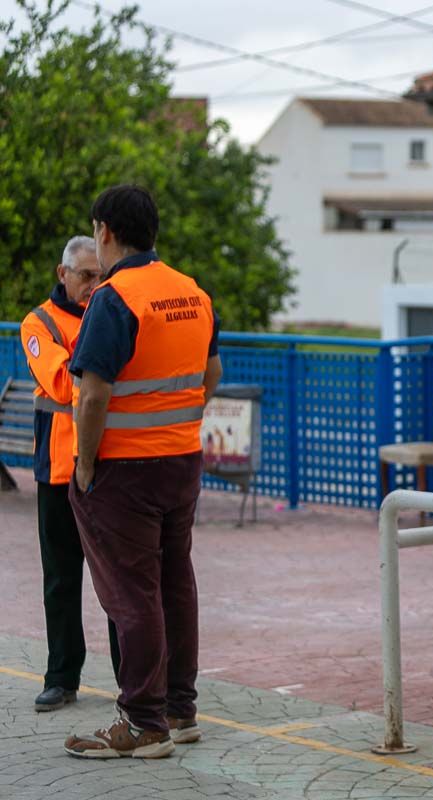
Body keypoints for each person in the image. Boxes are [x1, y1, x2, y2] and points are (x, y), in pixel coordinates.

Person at [63, 185, 222, 759]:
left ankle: (142, 722)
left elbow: (92, 396)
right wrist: (177, 428)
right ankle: (181, 710)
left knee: (134, 594)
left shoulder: (114, 298)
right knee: (176, 581)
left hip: (124, 470)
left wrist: (84, 465)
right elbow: (211, 373)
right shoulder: (192, 292)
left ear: (104, 231)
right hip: (181, 462)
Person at [20, 236, 122, 713]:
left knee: (118, 582)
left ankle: (134, 681)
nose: (93, 285)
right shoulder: (38, 324)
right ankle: (62, 677)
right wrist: (102, 370)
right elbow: (66, 382)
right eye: (85, 276)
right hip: (59, 470)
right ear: (63, 275)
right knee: (61, 579)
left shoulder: (108, 312)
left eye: (99, 275)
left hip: (107, 465)